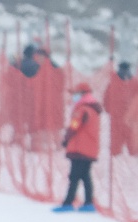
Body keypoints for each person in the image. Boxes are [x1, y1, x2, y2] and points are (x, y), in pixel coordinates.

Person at [56, 81, 103, 213]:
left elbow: (74, 126)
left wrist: (66, 138)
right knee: (85, 176)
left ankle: (68, 203)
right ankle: (88, 203)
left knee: (74, 176)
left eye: (76, 94)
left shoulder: (82, 109)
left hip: (80, 148)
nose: (74, 97)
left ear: (82, 94)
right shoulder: (93, 109)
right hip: (89, 148)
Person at [106, 62, 135, 157]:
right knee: (118, 140)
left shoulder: (134, 82)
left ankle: (131, 155)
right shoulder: (114, 82)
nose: (124, 72)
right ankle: (118, 155)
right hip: (119, 116)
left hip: (128, 117)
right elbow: (107, 97)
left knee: (130, 139)